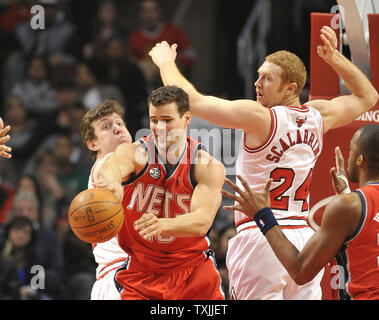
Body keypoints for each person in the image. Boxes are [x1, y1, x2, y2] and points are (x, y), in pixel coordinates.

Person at [149, 26, 379, 299]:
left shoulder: (261, 117)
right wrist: (335, 58)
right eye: (258, 75)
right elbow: (369, 97)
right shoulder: (319, 115)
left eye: (267, 78)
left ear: (290, 88)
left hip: (260, 235)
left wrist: (165, 62)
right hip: (304, 239)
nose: (257, 83)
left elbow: (192, 101)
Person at [95, 85, 225, 300]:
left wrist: (164, 224)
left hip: (193, 271)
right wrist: (114, 184)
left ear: (187, 118)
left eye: (167, 120)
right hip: (141, 272)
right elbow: (112, 167)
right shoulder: (136, 153)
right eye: (154, 120)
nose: (160, 127)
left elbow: (202, 221)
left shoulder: (206, 165)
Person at [222, 124, 379, 300]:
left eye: (351, 149)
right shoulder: (352, 204)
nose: (348, 155)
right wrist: (347, 195)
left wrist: (262, 214)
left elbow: (300, 271)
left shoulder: (348, 206)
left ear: (360, 160)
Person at [79, 100, 132, 300]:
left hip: (134, 274)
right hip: (121, 275)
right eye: (107, 127)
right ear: (93, 144)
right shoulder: (105, 164)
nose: (117, 129)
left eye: (119, 123)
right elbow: (113, 167)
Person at [128, 0, 196, 89]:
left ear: (159, 12)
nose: (149, 15)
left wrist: (172, 60)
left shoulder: (173, 32)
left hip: (172, 83)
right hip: (144, 87)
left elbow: (191, 55)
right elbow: (130, 62)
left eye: (153, 10)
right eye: (146, 11)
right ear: (141, 14)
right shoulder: (134, 37)